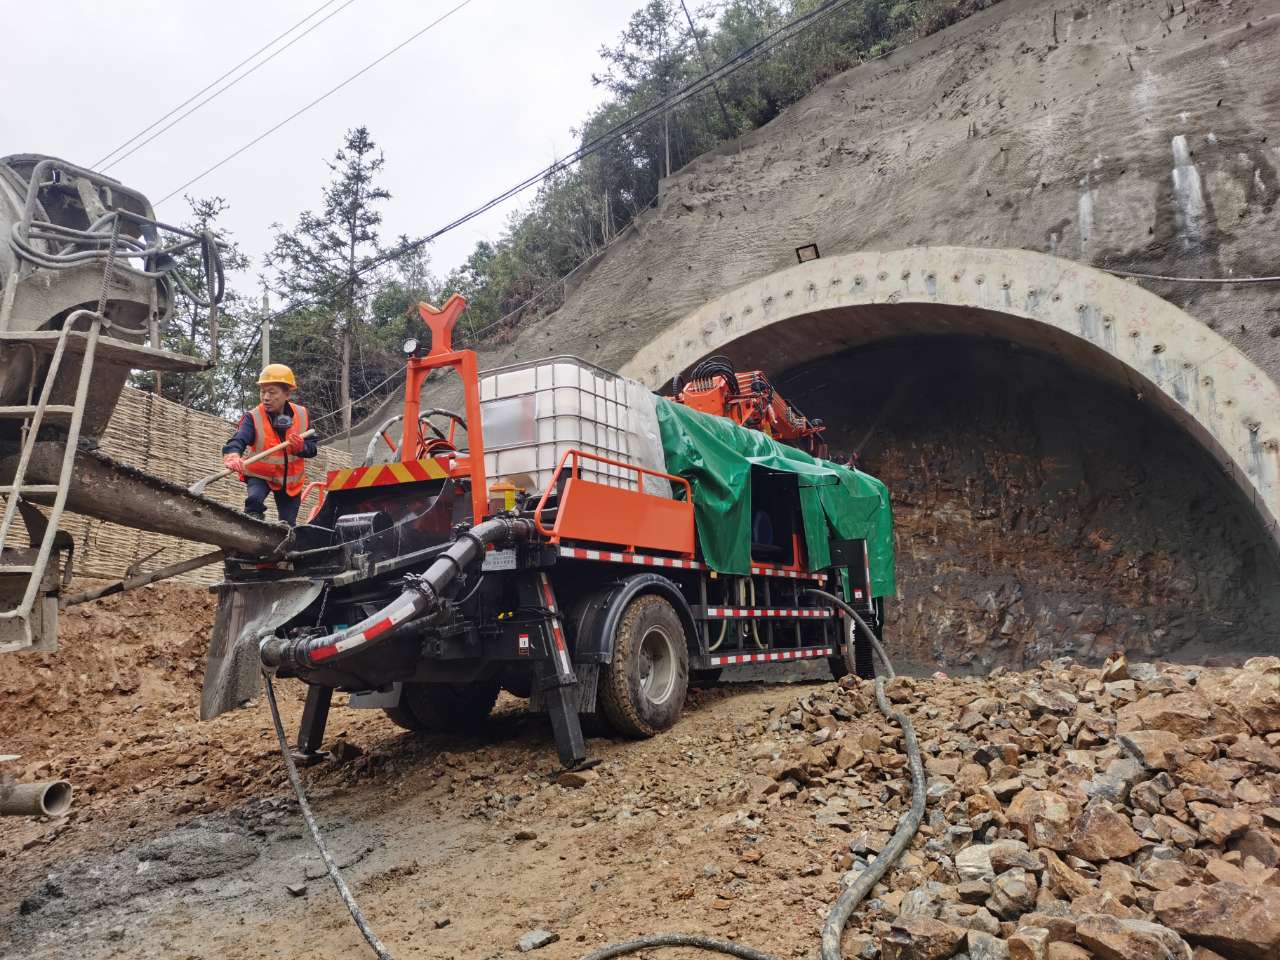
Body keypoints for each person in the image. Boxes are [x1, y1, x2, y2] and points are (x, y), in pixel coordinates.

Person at [222, 364, 317, 525]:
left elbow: (313, 449)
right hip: (260, 475)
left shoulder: (302, 414)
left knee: (288, 524)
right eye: (262, 391)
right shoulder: (253, 417)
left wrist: (301, 448)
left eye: (271, 392)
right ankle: (252, 529)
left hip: (290, 481)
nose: (265, 397)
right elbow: (239, 439)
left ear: (287, 394)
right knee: (253, 502)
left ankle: (281, 545)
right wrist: (233, 455)